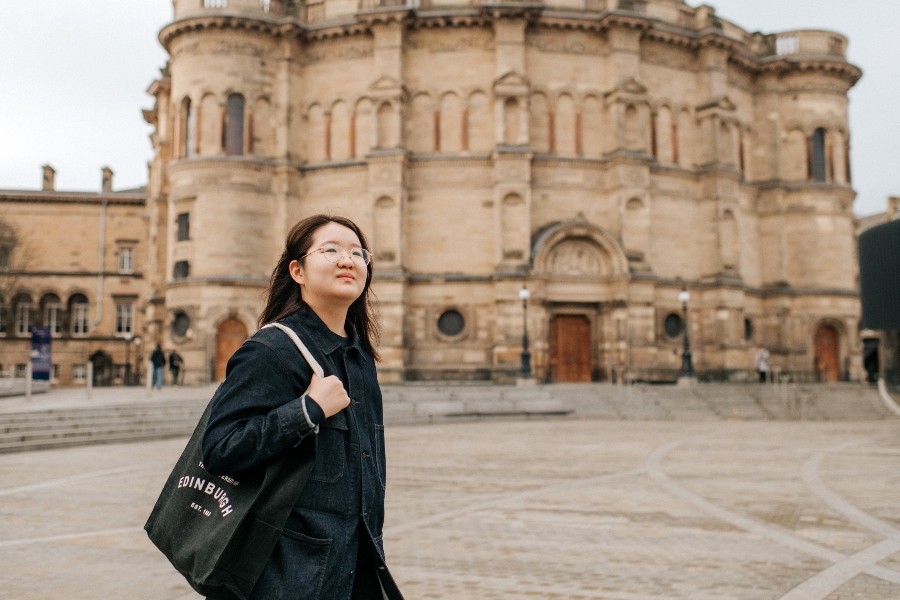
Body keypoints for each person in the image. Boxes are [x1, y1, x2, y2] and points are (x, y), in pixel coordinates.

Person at [201, 215, 404, 600]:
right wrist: (307, 410)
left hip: (356, 565)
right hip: (289, 574)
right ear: (297, 270)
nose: (348, 260)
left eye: (358, 252)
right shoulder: (271, 351)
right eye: (331, 250)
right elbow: (220, 450)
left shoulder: (360, 357)